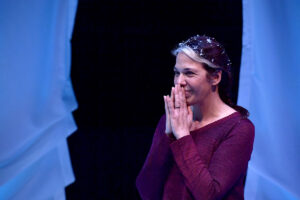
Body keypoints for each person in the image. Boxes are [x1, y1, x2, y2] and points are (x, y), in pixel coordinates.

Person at [136, 35, 255, 200]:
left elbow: (209, 195)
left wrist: (183, 136)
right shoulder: (172, 118)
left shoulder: (238, 128)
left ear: (215, 77)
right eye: (177, 73)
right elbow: (147, 190)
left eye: (189, 73)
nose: (179, 82)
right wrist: (168, 136)